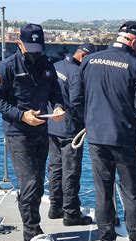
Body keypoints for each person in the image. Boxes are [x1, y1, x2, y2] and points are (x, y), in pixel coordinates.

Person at [70, 21, 136, 241]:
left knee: (103, 193)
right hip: (125, 140)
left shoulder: (89, 60)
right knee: (132, 195)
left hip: (97, 138)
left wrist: (90, 121)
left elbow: (75, 98)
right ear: (134, 41)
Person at [0, 23, 65, 241]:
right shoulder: (6, 66)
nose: (34, 54)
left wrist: (58, 108)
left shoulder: (47, 66)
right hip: (17, 133)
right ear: (19, 43)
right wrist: (22, 115)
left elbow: (55, 93)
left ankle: (32, 223)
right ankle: (31, 233)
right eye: (30, 48)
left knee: (38, 183)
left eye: (38, 49)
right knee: (30, 181)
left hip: (41, 130)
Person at [47, 43, 96, 226]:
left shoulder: (56, 66)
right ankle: (71, 212)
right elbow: (76, 101)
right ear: (83, 56)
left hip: (52, 125)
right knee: (71, 171)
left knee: (55, 167)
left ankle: (55, 206)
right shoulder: (77, 72)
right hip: (69, 128)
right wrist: (87, 122)